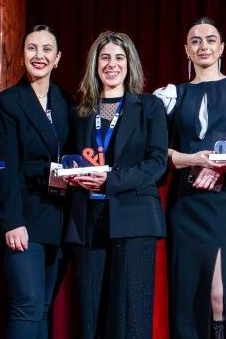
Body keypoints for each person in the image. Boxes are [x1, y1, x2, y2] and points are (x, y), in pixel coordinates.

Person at [153, 17, 226, 339]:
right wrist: (193, 159)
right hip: (186, 203)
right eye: (195, 41)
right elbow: (158, 152)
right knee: (187, 295)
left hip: (224, 202)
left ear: (222, 47)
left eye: (211, 40)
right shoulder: (172, 96)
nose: (203, 46)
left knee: (219, 295)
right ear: (186, 49)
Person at [63, 31, 168, 339]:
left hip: (134, 219)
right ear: (95, 64)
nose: (112, 64)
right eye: (105, 57)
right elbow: (71, 156)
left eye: (119, 58)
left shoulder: (149, 107)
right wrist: (71, 172)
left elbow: (157, 163)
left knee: (130, 319)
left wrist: (111, 180)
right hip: (88, 221)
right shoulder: (81, 112)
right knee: (91, 318)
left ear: (129, 63)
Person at [0, 25, 72, 338]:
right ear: (23, 54)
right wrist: (11, 221)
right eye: (32, 48)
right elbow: (5, 168)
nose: (39, 56)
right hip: (23, 219)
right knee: (27, 305)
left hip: (59, 219)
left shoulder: (67, 102)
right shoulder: (7, 103)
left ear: (58, 58)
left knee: (42, 308)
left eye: (47, 49)